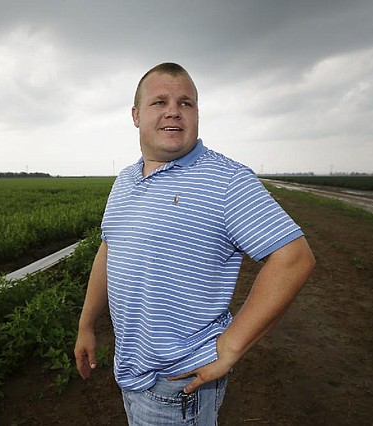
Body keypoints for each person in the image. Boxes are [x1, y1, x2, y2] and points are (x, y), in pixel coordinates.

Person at [74, 62, 315, 425]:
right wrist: (86, 324)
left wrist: (230, 347)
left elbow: (294, 257)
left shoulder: (226, 180)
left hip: (179, 387)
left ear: (197, 114)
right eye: (159, 102)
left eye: (185, 103)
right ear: (136, 115)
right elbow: (109, 250)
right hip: (130, 372)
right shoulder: (124, 182)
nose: (174, 110)